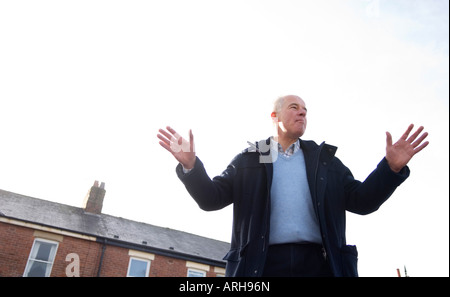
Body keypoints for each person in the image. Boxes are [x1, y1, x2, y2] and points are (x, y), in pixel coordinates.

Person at [157, 95, 429, 277]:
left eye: (305, 111)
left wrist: (390, 169)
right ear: (275, 116)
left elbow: (362, 201)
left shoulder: (324, 161)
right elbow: (211, 199)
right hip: (261, 266)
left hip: (319, 265)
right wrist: (191, 167)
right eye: (294, 108)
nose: (302, 113)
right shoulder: (252, 157)